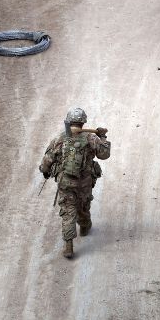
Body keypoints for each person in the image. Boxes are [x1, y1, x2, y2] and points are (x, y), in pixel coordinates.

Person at [38, 107, 111, 258]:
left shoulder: (60, 138)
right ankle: (84, 226)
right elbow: (104, 154)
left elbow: (47, 161)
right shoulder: (91, 138)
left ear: (69, 122)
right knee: (83, 204)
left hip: (66, 183)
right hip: (85, 182)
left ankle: (68, 245)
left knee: (68, 210)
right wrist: (103, 137)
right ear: (83, 123)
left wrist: (45, 171)